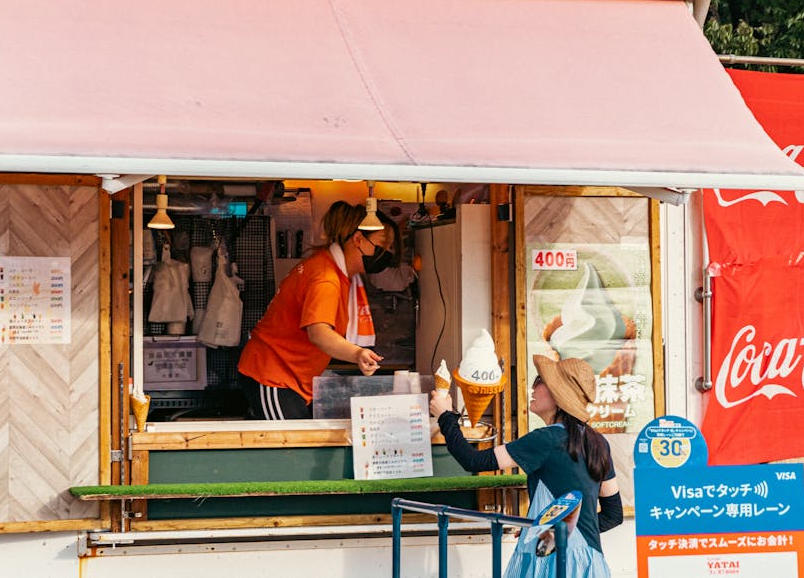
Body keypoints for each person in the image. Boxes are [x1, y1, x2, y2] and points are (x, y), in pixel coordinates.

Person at [429, 355, 623, 577]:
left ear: (558, 394)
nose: (533, 387)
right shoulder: (598, 442)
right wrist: (549, 530)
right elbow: (613, 514)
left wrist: (445, 416)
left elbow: (473, 461)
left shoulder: (547, 439)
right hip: (590, 562)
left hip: (551, 563)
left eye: (540, 380)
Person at [238, 200, 398, 420]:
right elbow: (319, 332)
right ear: (358, 240)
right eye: (383, 244)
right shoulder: (326, 278)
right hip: (273, 374)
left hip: (291, 378)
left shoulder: (332, 271)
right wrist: (357, 353)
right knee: (288, 451)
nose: (387, 252)